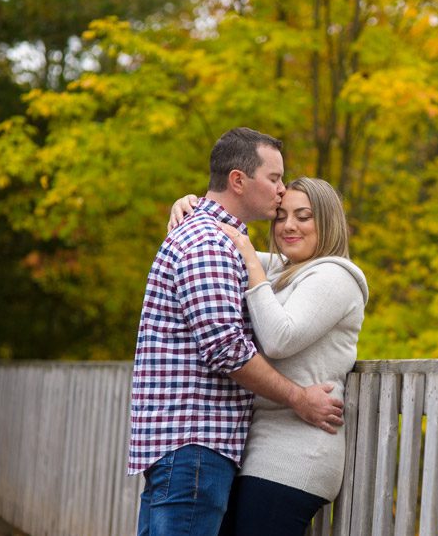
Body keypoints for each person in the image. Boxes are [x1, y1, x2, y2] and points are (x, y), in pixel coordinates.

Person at [128, 127, 344, 536]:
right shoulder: (210, 243)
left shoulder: (220, 239)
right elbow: (227, 348)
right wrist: (299, 398)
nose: (281, 191)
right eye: (275, 179)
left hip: (190, 448)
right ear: (239, 180)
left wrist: (188, 203)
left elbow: (288, 261)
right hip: (195, 442)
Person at [168, 177, 368, 536]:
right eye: (281, 217)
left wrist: (251, 260)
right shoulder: (285, 272)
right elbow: (224, 246)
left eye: (303, 216)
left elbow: (279, 338)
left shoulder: (335, 277)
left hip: (296, 454)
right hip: (260, 451)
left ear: (328, 221)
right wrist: (191, 206)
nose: (289, 225)